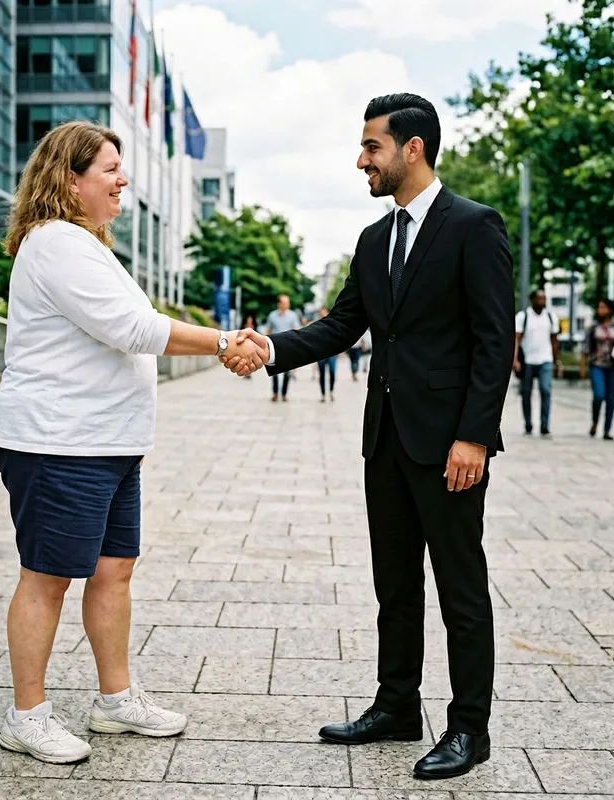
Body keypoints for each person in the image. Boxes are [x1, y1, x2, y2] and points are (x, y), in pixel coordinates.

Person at [225, 93, 513, 779]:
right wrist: (268, 348)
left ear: (412, 148)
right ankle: (397, 707)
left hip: (448, 447)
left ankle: (470, 729)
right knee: (395, 585)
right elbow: (342, 325)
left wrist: (473, 437)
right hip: (384, 440)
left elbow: (493, 339)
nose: (362, 160)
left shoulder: (475, 226)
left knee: (460, 590)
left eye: (371, 147)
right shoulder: (373, 238)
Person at [0, 120, 263, 766]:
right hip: (58, 443)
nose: (123, 180)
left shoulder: (82, 245)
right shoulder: (55, 243)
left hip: (103, 444)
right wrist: (224, 341)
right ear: (69, 179)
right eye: (109, 168)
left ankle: (115, 700)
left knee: (113, 572)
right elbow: (132, 327)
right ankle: (25, 715)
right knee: (47, 578)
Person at [513, 289, 561, 436]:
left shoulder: (551, 317)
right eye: (539, 299)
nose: (542, 302)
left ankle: (544, 425)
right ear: (532, 300)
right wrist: (514, 360)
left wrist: (557, 361)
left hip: (545, 359)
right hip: (527, 360)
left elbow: (554, 341)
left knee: (546, 391)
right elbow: (516, 339)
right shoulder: (523, 317)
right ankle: (528, 424)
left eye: (544, 299)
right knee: (526, 393)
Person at [580, 298, 614, 441]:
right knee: (599, 395)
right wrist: (582, 367)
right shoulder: (592, 327)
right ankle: (595, 421)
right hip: (597, 365)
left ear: (610, 310)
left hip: (613, 367)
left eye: (604, 307)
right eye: (599, 307)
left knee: (611, 398)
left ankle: (607, 429)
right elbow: (585, 349)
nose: (601, 310)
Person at [264, 294, 300, 402]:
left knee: (287, 373)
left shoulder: (292, 316)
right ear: (279, 304)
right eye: (284, 302)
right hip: (274, 347)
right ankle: (275, 393)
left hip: (288, 348)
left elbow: (296, 329)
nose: (286, 305)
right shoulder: (272, 316)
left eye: (287, 303)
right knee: (274, 372)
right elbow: (268, 330)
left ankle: (284, 393)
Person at [316, 308, 337, 402]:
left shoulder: (333, 325)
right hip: (320, 354)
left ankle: (331, 391)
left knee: (332, 372)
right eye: (321, 313)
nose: (323, 315)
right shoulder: (316, 325)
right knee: (322, 374)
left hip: (332, 353)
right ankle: (323, 394)